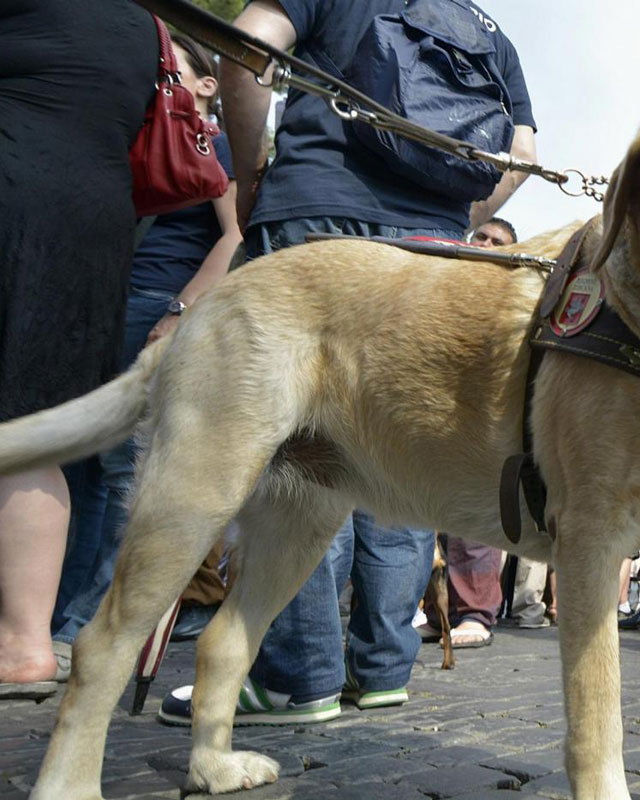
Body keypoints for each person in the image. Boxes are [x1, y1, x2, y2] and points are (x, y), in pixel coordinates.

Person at [158, 0, 536, 724]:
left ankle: (297, 678)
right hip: (433, 246)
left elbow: (248, 47)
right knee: (402, 449)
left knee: (304, 449)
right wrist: (457, 215)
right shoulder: (489, 31)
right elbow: (520, 148)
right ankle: (385, 667)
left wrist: (253, 172)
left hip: (317, 212)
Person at [51, 34, 241, 654]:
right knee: (81, 465)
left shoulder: (214, 142)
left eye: (169, 68)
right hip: (108, 304)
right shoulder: (141, 137)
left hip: (156, 304)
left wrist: (181, 310)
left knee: (118, 470)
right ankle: (58, 617)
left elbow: (236, 236)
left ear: (207, 85)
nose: (153, 74)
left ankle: (91, 622)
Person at [0, 0, 157, 698]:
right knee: (33, 427)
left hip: (18, 192)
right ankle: (25, 642)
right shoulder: (145, 23)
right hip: (95, 216)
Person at [445, 218, 519, 647]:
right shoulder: (448, 281)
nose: (488, 245)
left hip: (481, 419)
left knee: (472, 522)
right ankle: (439, 612)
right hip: (438, 412)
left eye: (499, 242)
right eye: (482, 237)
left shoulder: (511, 293)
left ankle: (475, 613)